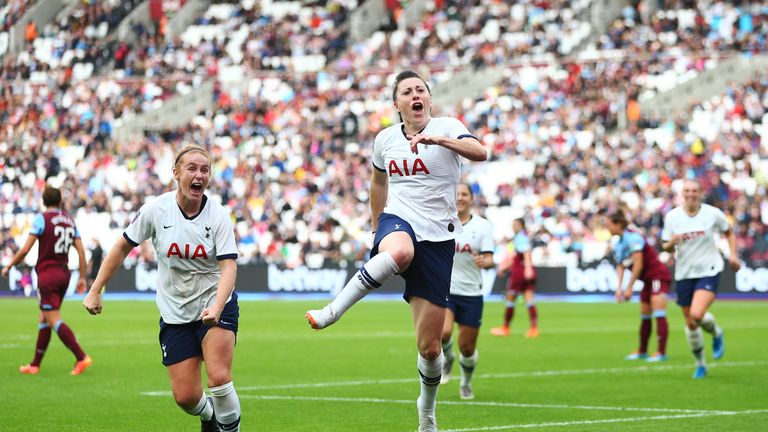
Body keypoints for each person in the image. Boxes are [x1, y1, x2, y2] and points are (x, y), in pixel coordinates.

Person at [305, 70, 487, 432]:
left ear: (429, 100)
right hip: (397, 221)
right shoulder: (385, 139)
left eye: (421, 89)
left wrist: (441, 141)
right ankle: (332, 310)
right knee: (399, 253)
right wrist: (376, 227)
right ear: (397, 103)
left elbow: (480, 151)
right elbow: (378, 180)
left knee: (431, 349)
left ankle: (427, 412)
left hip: (438, 238)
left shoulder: (449, 127)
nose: (415, 94)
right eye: (407, 91)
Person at [83, 145, 242, 431]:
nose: (199, 175)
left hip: (214, 303)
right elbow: (122, 246)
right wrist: (96, 289)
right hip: (175, 312)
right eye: (192, 168)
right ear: (176, 173)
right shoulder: (156, 210)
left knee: (218, 377)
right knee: (186, 397)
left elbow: (228, 266)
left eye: (205, 170)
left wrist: (218, 305)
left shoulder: (218, 215)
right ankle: (209, 418)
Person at [1, 186, 91, 375]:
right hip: (64, 274)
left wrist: (9, 266)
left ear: (43, 201)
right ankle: (35, 365)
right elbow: (81, 251)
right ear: (60, 201)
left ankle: (82, 357)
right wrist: (82, 277)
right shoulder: (69, 220)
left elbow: (25, 249)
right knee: (45, 317)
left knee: (53, 319)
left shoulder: (42, 219)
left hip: (47, 275)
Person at [661, 179, 741, 379]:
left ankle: (716, 333)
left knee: (697, 314)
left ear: (700, 193)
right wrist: (672, 242)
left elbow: (729, 232)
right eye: (687, 190)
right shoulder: (672, 216)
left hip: (709, 269)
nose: (690, 194)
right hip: (684, 273)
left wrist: (733, 255)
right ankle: (701, 364)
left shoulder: (712, 213)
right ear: (682, 193)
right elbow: (665, 246)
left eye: (694, 191)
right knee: (691, 323)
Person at [440, 183, 494, 401]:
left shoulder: (483, 226)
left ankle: (466, 382)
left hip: (472, 292)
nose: (460, 198)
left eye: (464, 194)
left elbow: (490, 258)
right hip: (446, 290)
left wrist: (486, 261)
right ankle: (447, 358)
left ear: (471, 199)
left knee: (467, 347)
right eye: (457, 194)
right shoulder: (441, 222)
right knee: (443, 333)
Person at [606, 211, 671, 362]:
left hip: (657, 277)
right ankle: (642, 351)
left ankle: (661, 352)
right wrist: (619, 289)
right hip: (648, 280)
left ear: (618, 224)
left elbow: (638, 264)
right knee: (645, 314)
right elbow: (621, 266)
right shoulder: (619, 243)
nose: (607, 228)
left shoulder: (633, 237)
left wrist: (629, 288)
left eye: (609, 225)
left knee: (659, 313)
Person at [490, 219, 539, 338]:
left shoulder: (520, 237)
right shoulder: (522, 237)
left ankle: (506, 327)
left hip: (519, 272)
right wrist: (504, 267)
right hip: (523, 269)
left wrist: (527, 269)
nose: (514, 227)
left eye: (516, 225)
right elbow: (517, 257)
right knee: (529, 299)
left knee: (510, 298)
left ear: (521, 226)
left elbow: (526, 253)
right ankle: (534, 329)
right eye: (513, 225)